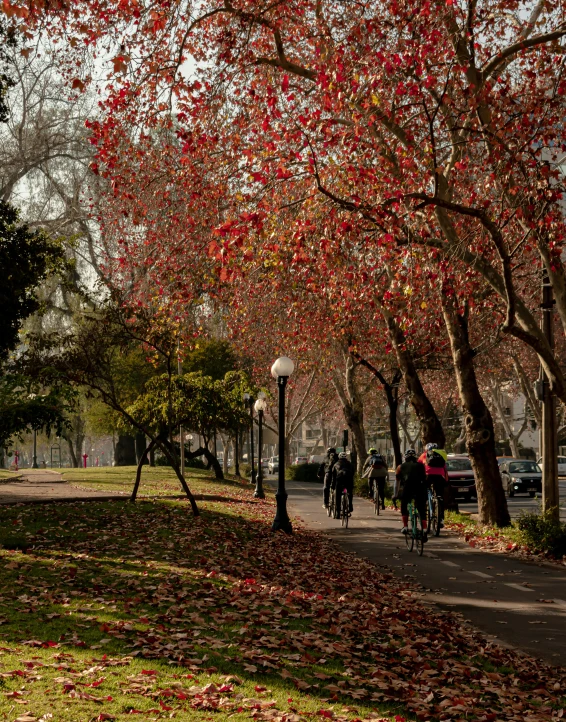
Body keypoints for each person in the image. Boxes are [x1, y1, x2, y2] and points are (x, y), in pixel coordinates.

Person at [398, 448, 428, 541]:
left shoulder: (400, 466)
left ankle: (405, 526)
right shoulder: (421, 466)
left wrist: (396, 494)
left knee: (404, 505)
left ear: (405, 457)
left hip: (408, 488)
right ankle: (424, 529)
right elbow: (424, 478)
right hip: (420, 488)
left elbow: (397, 483)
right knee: (422, 509)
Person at [419, 443, 448, 528]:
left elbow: (418, 465)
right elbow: (445, 469)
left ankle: (423, 513)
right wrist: (446, 481)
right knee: (440, 496)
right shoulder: (441, 454)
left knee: (423, 495)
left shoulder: (424, 455)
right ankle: (441, 519)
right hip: (439, 476)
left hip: (428, 476)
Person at [332, 451, 354, 518]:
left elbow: (333, 475)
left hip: (340, 481)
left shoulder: (336, 464)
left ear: (339, 457)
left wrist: (333, 485)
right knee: (350, 493)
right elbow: (353, 473)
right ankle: (350, 506)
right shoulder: (349, 464)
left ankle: (338, 513)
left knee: (338, 495)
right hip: (349, 481)